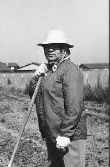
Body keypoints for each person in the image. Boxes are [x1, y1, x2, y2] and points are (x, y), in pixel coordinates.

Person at [28, 30, 87, 167]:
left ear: (64, 50)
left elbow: (74, 106)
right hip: (52, 134)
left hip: (70, 136)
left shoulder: (70, 71)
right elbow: (34, 95)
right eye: (47, 47)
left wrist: (65, 134)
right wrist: (36, 77)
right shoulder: (49, 71)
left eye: (54, 46)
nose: (49, 49)